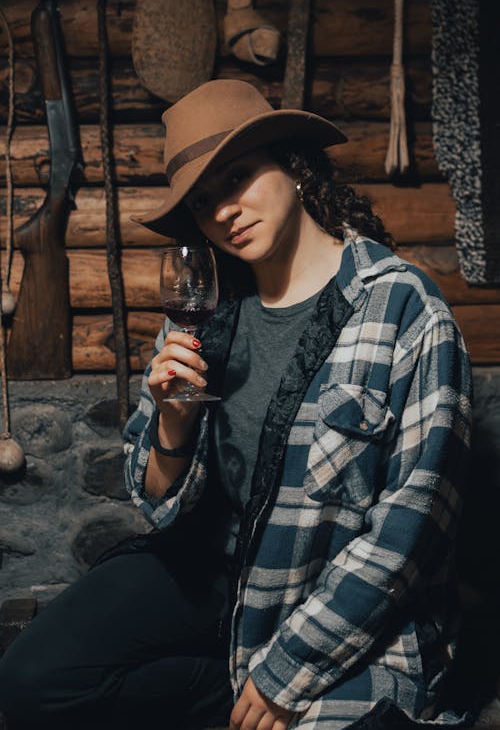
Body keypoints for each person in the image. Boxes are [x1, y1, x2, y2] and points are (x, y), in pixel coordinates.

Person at [0, 79, 472, 730]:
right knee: (28, 682)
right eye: (202, 201)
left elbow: (409, 534)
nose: (223, 210)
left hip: (329, 589)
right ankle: (230, 696)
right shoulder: (204, 307)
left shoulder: (401, 309)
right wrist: (172, 420)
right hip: (215, 569)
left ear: (296, 169)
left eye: (238, 177)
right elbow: (155, 498)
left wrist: (285, 675)